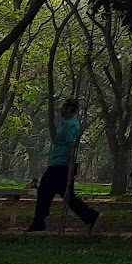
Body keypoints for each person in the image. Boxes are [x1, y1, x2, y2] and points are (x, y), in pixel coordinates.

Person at [28, 97, 101, 233]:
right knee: (64, 195)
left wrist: (70, 166)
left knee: (46, 191)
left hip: (61, 165)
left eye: (63, 107)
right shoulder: (69, 123)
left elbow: (72, 145)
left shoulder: (70, 125)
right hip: (60, 165)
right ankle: (90, 216)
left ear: (68, 109)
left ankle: (39, 222)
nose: (60, 109)